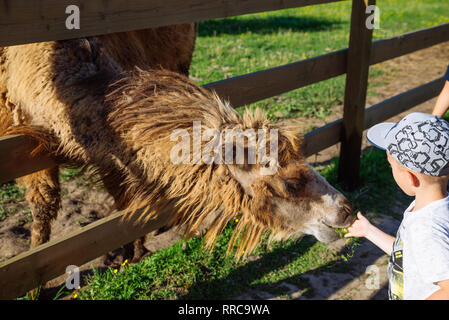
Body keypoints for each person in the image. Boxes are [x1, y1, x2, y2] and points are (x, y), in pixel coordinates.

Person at [345, 112, 449, 300]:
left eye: (390, 165)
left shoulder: (426, 228)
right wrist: (369, 231)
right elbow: (408, 255)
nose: (390, 169)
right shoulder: (432, 209)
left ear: (410, 177)